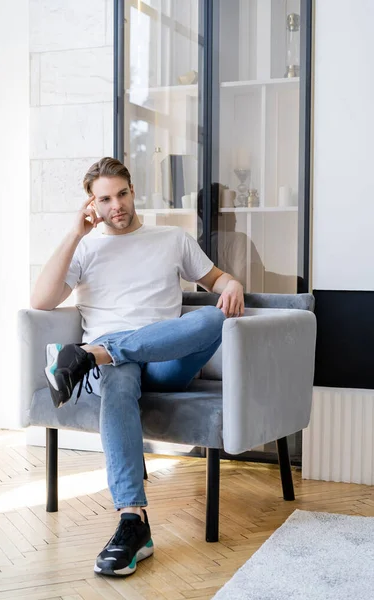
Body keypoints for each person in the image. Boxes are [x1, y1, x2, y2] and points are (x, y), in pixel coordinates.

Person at [31, 157, 244, 578]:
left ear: (133, 190)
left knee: (214, 318)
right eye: (105, 199)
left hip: (165, 361)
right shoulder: (86, 247)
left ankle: (91, 355)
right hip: (118, 372)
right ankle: (133, 522)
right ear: (92, 203)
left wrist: (232, 283)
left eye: (123, 194)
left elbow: (217, 281)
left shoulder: (172, 239)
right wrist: (75, 233)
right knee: (119, 375)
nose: (118, 206)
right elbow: (41, 301)